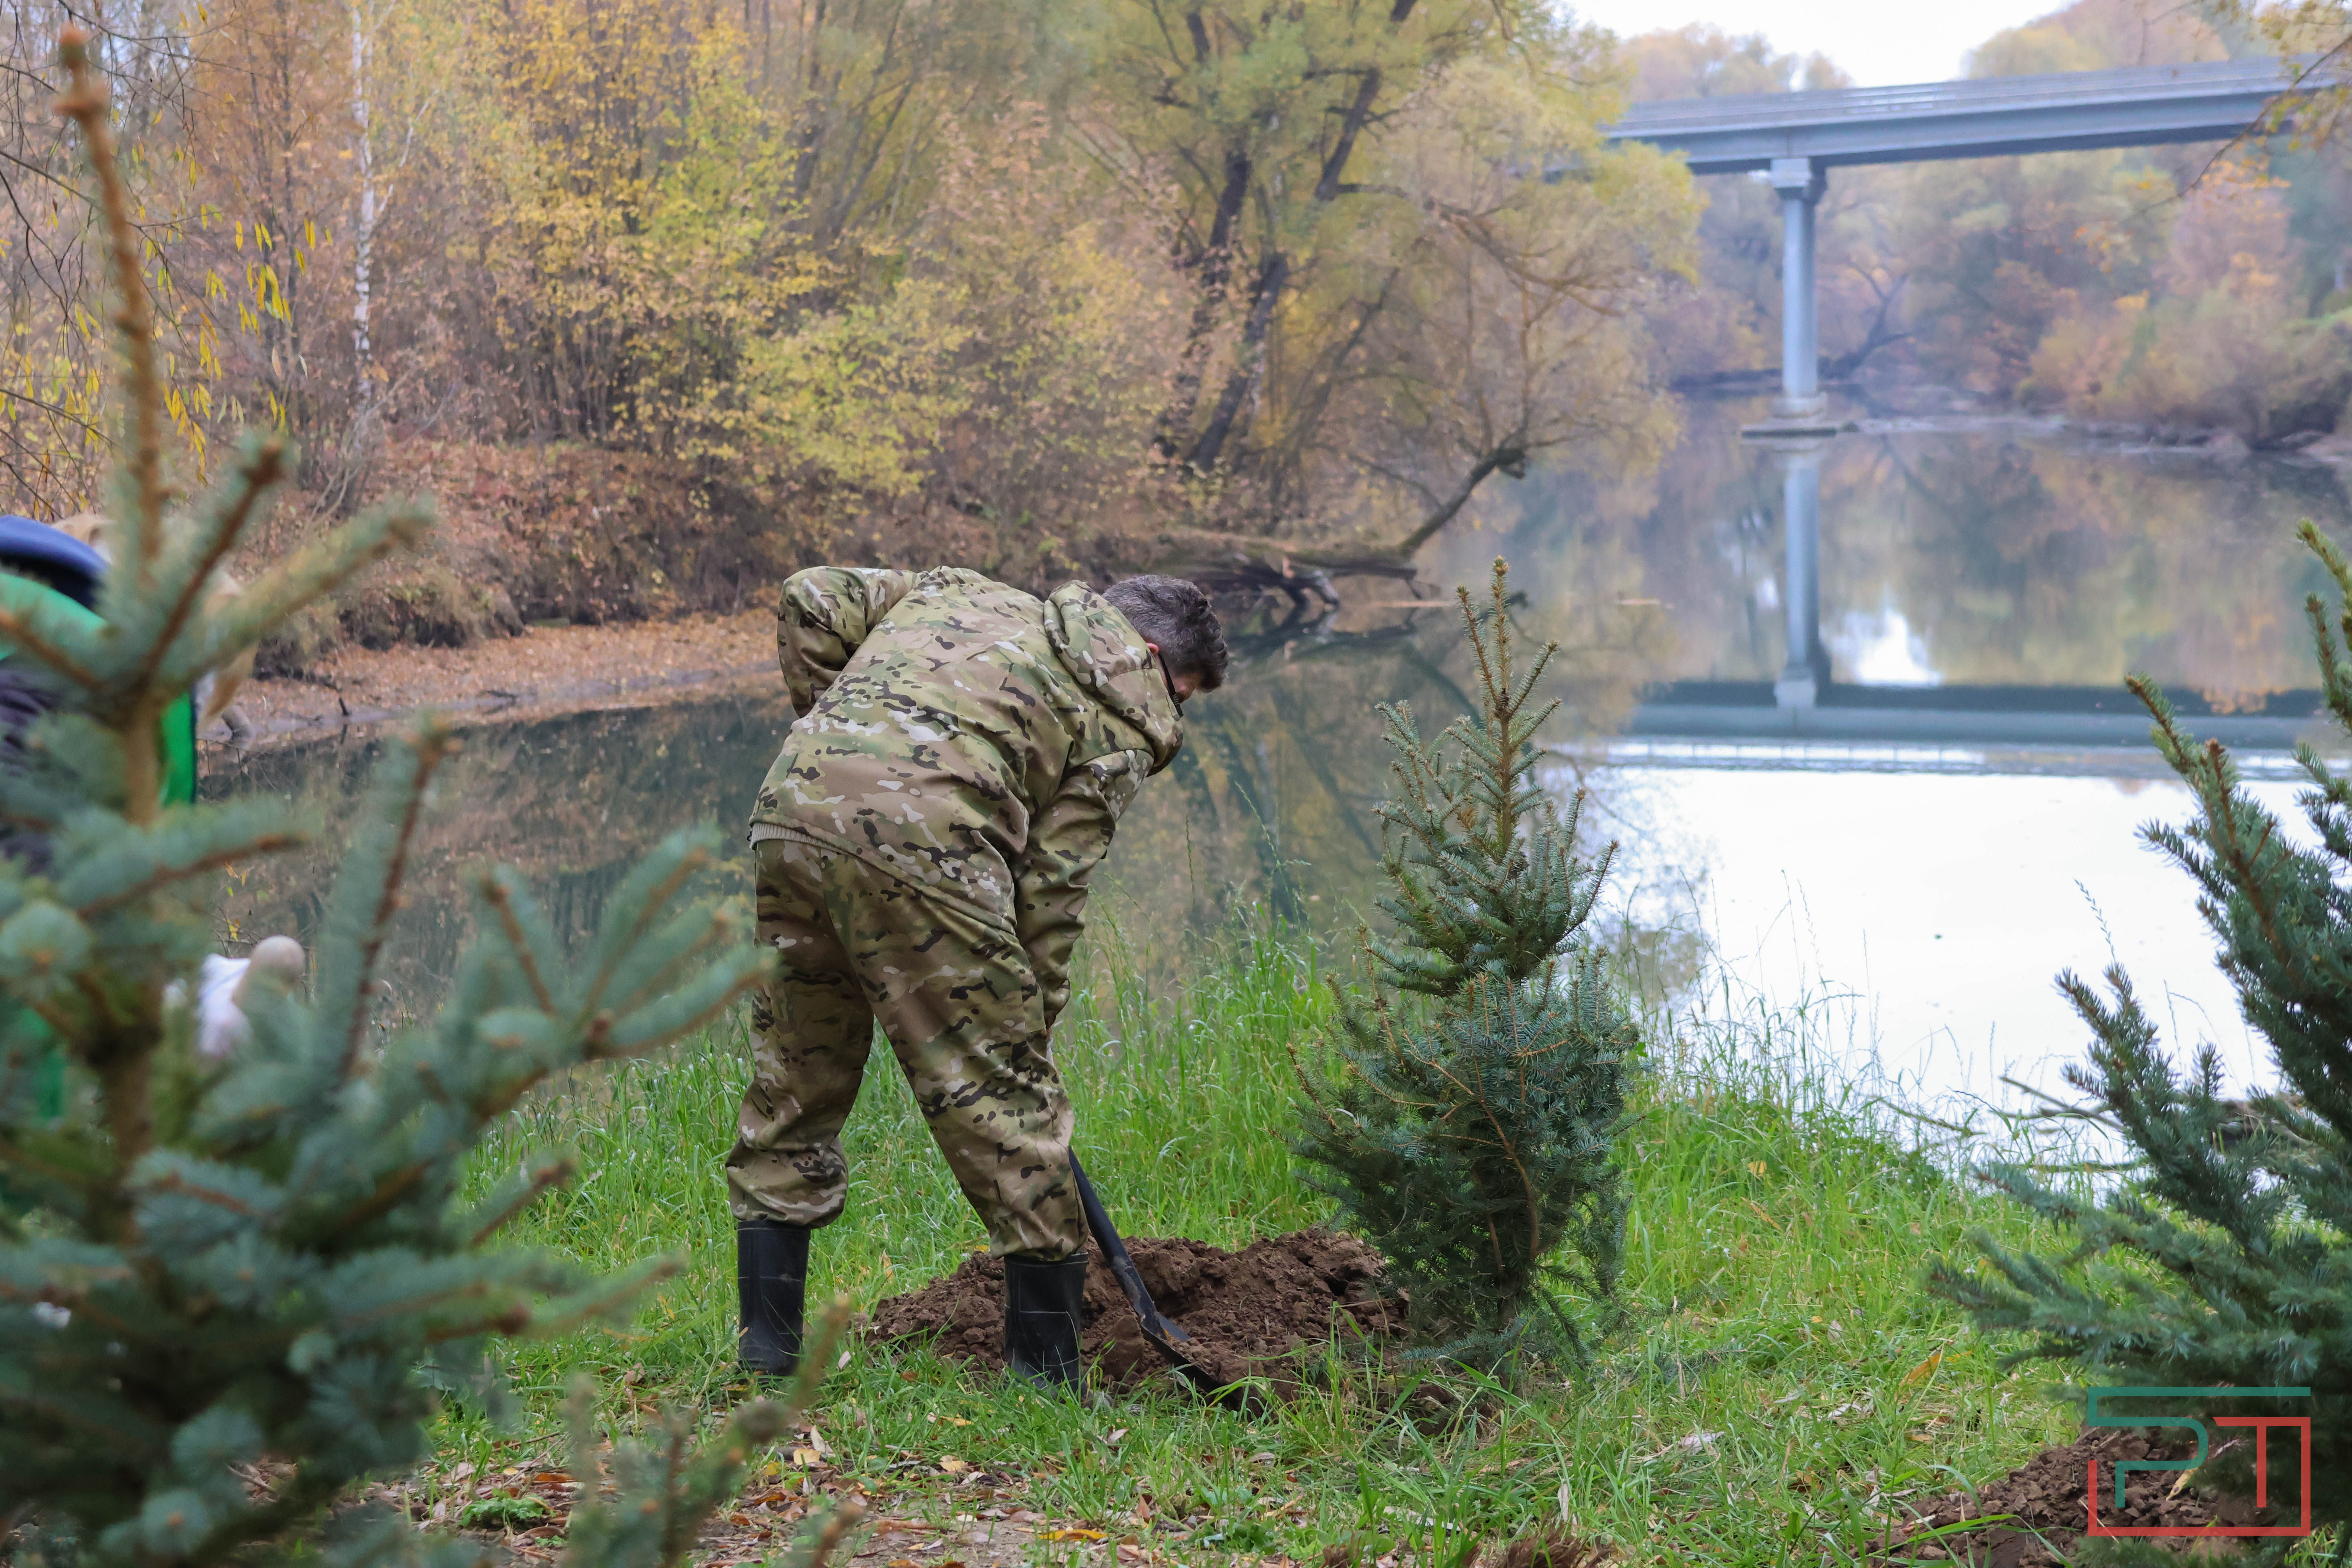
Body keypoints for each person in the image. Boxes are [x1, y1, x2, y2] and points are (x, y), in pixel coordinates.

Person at [727, 567, 1228, 1388]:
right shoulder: (1119, 712)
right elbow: (1050, 896)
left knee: (795, 1079)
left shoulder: (955, 591)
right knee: (1009, 1112)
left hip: (793, 812)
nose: (1175, 711)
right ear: (1146, 653)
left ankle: (766, 1352)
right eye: (1183, 690)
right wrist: (1026, 1033)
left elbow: (811, 597)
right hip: (930, 850)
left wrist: (840, 731)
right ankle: (1045, 1378)